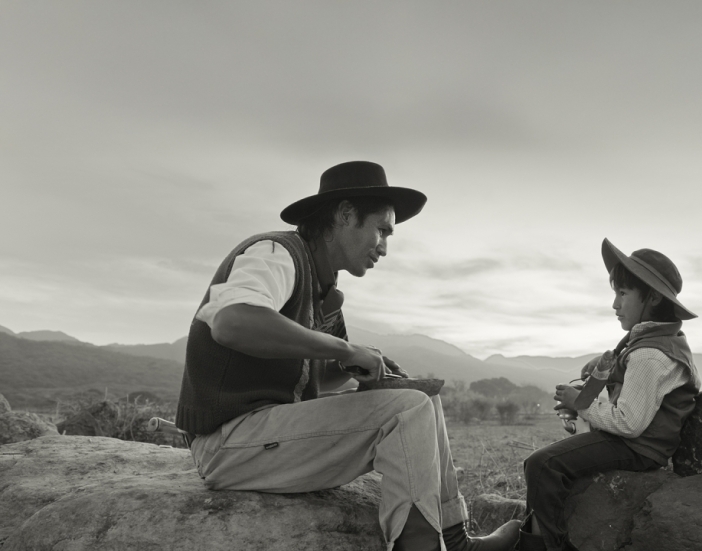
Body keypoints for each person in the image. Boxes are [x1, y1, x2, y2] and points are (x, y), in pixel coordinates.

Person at [175, 161, 519, 551]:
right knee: (405, 411)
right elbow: (233, 323)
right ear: (345, 215)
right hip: (228, 443)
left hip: (267, 432)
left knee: (424, 400)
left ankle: (455, 541)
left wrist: (363, 368)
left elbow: (316, 372)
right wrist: (345, 348)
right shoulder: (275, 253)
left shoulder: (326, 292)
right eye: (382, 230)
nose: (385, 247)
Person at [516, 239, 702, 551]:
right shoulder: (658, 341)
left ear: (653, 298)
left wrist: (582, 402)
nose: (615, 304)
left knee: (542, 465)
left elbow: (630, 423)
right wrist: (608, 369)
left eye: (623, 293)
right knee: (547, 463)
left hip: (639, 447)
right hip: (641, 443)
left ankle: (540, 546)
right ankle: (535, 536)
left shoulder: (650, 356)